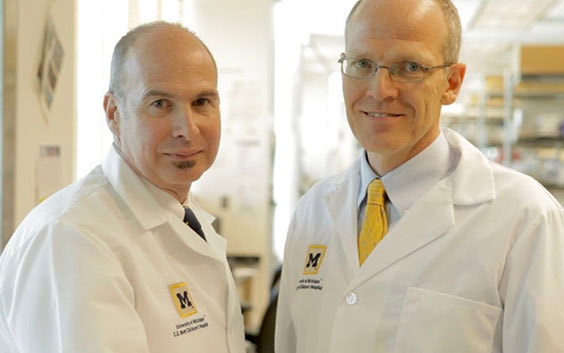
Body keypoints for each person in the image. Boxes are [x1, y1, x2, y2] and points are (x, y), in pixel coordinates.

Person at [274, 0, 564, 352]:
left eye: (409, 67)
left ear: (452, 82)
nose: (380, 90)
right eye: (362, 63)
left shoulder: (525, 218)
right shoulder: (312, 212)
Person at [0, 22, 246, 353]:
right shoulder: (73, 237)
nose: (187, 129)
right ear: (114, 113)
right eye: (160, 104)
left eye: (202, 101)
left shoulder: (185, 215)